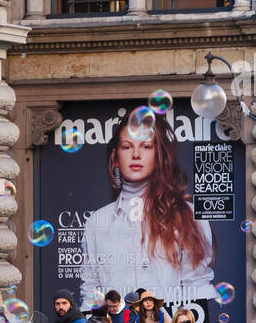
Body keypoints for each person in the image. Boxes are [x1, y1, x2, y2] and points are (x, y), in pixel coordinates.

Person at [80, 113, 215, 302]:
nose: (136, 154)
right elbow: (91, 293)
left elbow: (198, 287)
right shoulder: (97, 222)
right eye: (127, 147)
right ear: (115, 157)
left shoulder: (188, 215)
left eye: (145, 146)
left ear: (158, 156)